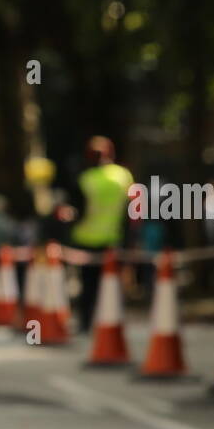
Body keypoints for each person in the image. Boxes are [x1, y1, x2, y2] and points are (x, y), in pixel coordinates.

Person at [70, 136, 134, 332]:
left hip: (86, 239)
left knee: (89, 286)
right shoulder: (123, 176)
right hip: (114, 239)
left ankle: (86, 323)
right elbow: (133, 209)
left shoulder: (86, 179)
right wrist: (132, 237)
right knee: (113, 285)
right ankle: (113, 323)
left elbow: (77, 211)